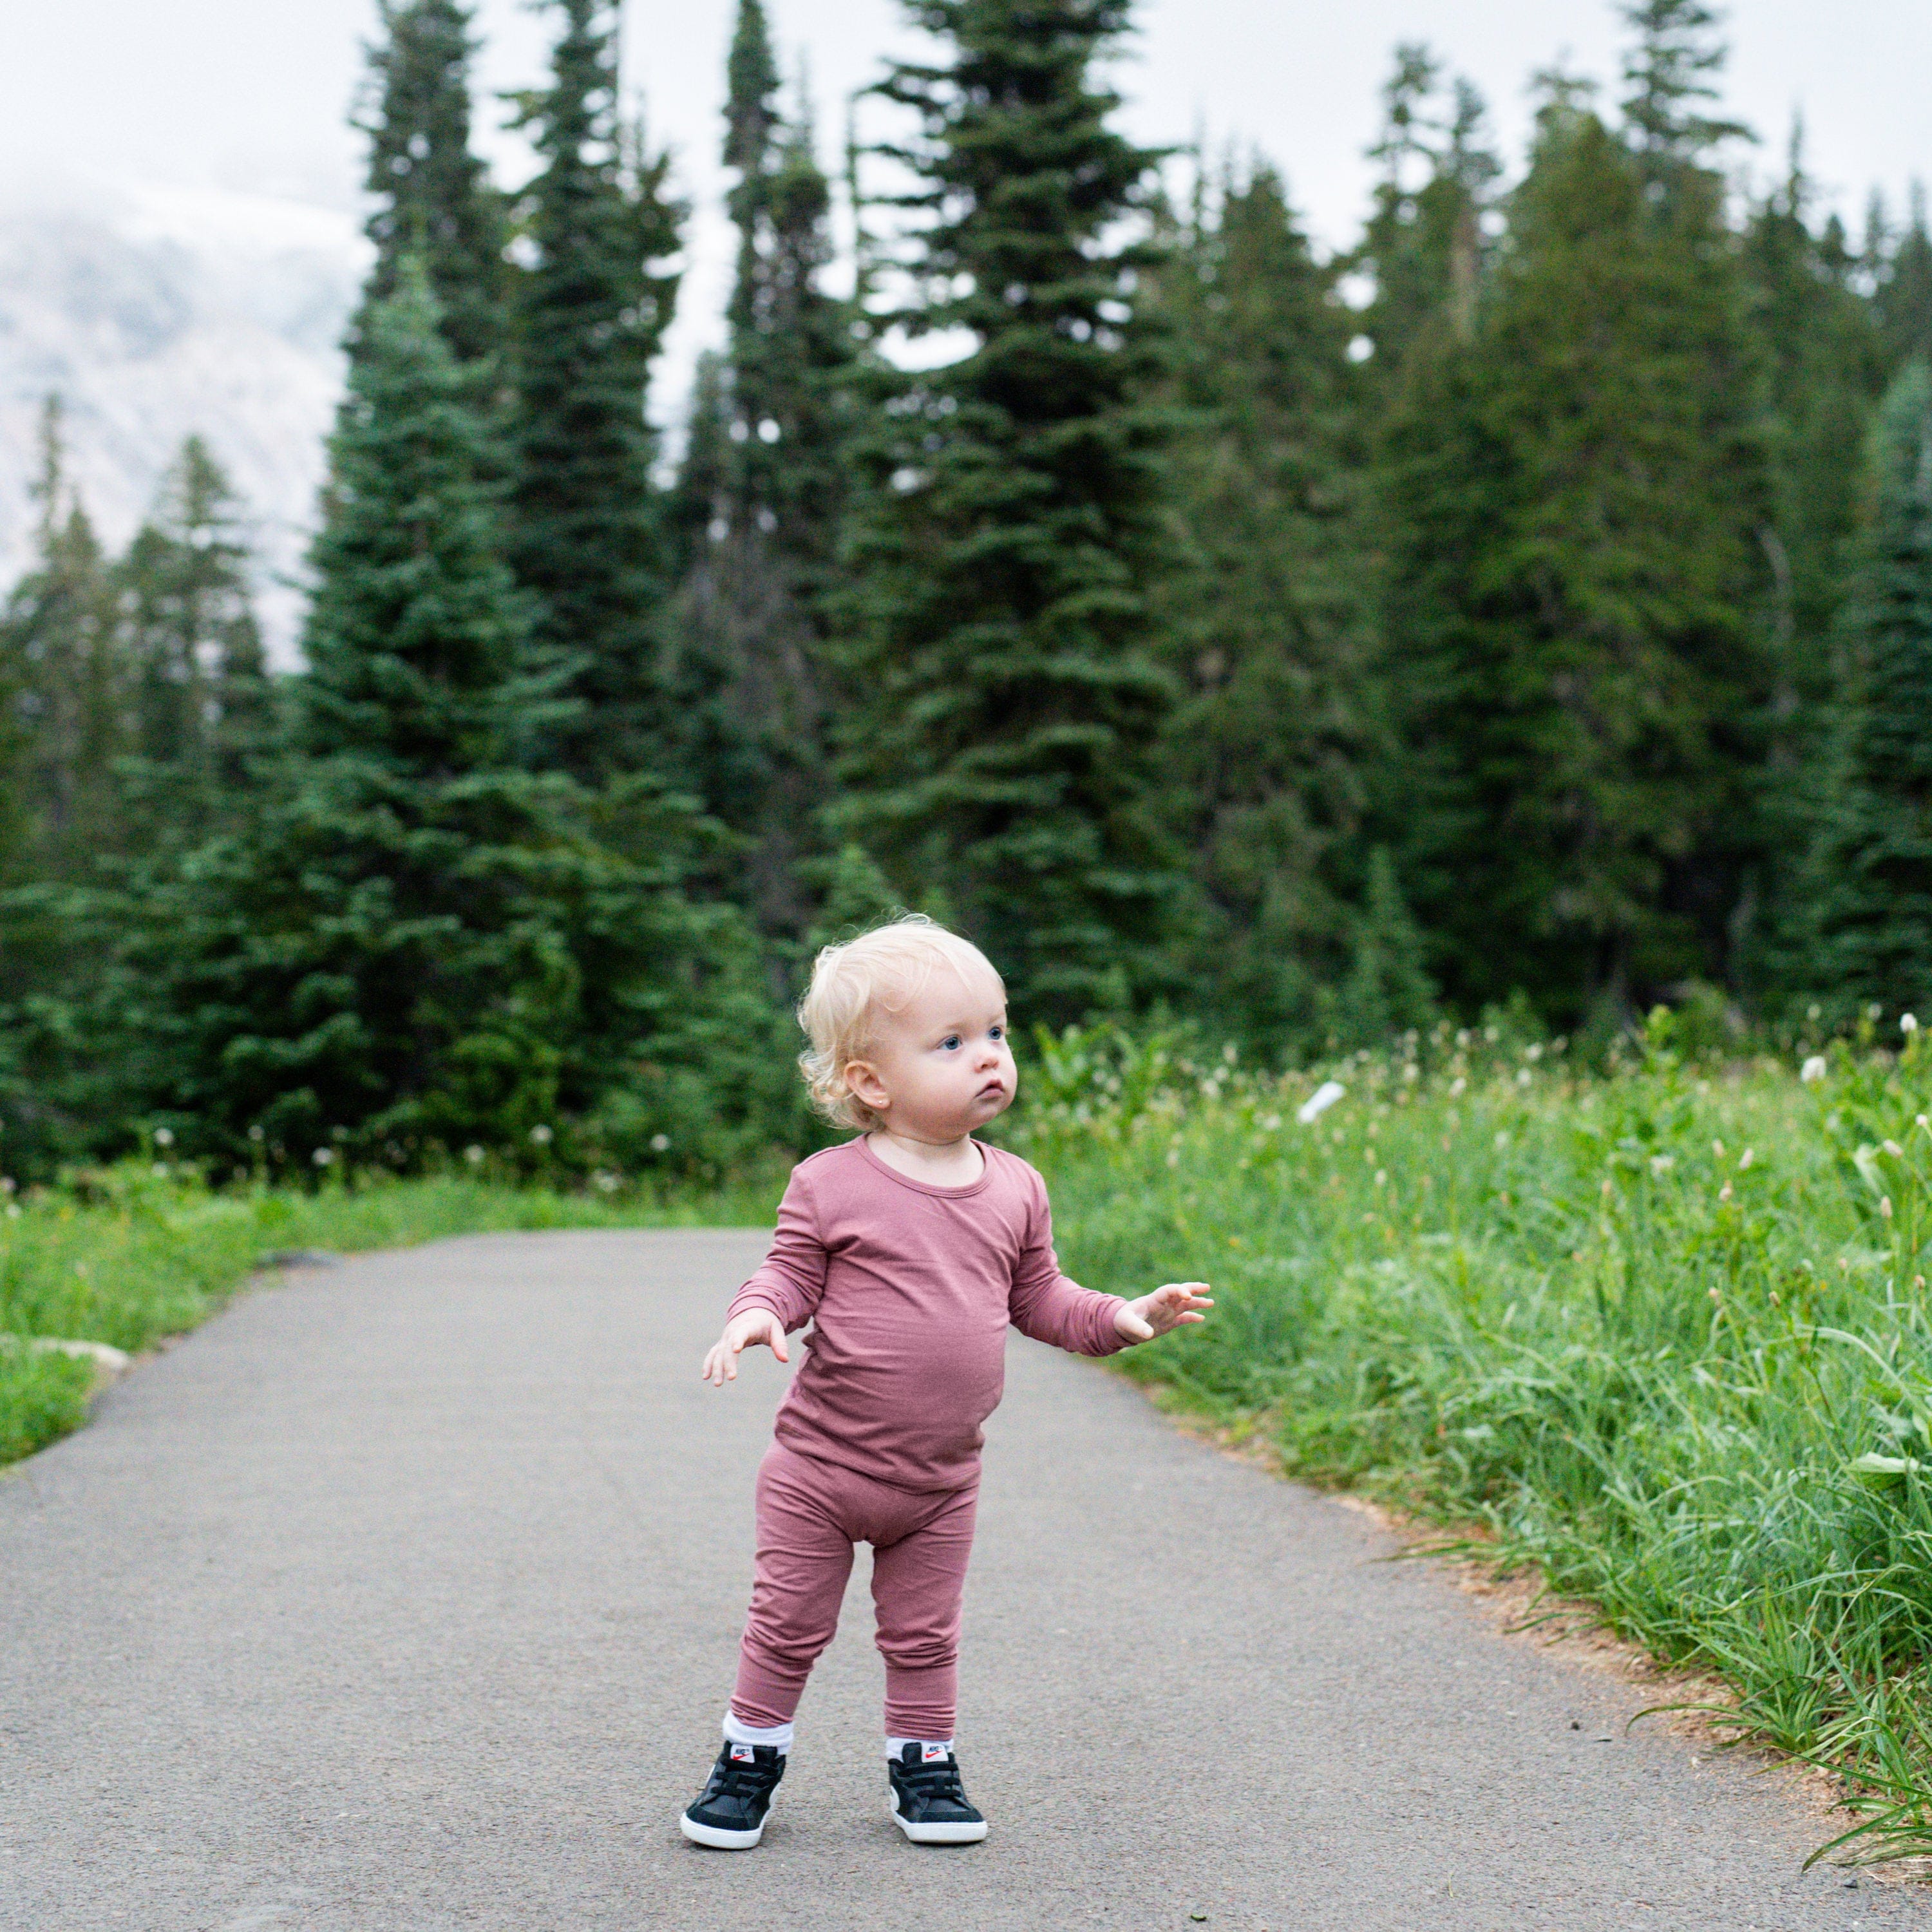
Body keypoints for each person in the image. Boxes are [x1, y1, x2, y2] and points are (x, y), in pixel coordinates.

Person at [679, 914, 1211, 1851]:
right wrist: (756, 1313)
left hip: (939, 1483)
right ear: (870, 1082)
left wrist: (1121, 1318)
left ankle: (924, 1770)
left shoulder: (1016, 1187)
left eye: (998, 1033)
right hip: (819, 1470)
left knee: (925, 1637)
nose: (990, 1057)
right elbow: (789, 1274)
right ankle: (747, 1762)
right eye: (954, 1042)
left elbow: (1042, 1297)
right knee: (788, 1626)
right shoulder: (829, 1183)